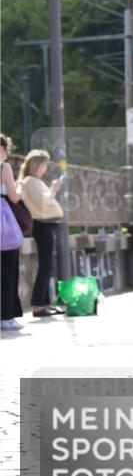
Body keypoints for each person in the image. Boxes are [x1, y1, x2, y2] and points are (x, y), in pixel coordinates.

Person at [18, 150, 65, 317]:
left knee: (47, 264)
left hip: (45, 224)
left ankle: (45, 303)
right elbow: (43, 204)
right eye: (44, 165)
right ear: (37, 165)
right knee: (46, 264)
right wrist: (53, 189)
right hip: (41, 224)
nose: (46, 169)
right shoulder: (31, 181)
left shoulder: (34, 181)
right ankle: (38, 305)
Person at [1, 134, 25, 332]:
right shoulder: (4, 167)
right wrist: (18, 186)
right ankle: (6, 317)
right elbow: (14, 198)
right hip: (3, 222)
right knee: (8, 269)